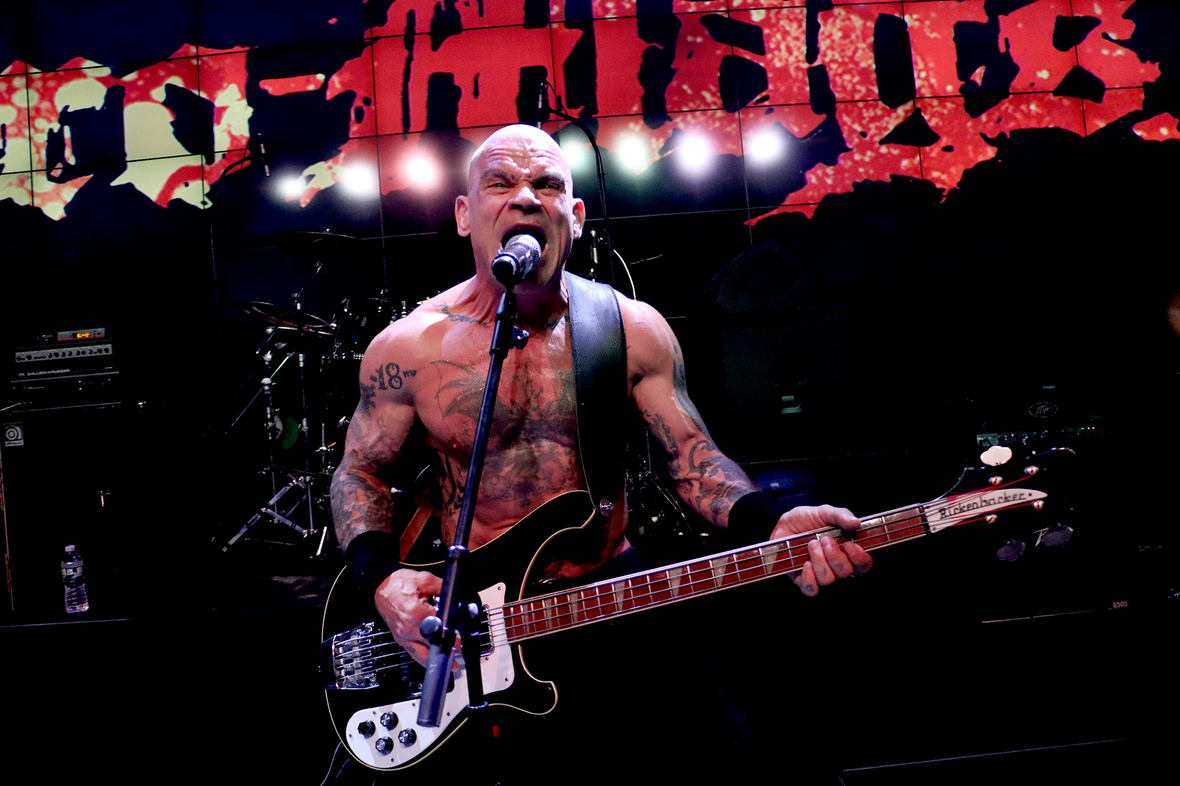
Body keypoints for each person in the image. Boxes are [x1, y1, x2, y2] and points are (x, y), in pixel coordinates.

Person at [329, 124, 872, 783]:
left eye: (546, 184)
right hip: (477, 627)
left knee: (740, 778)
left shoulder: (630, 329)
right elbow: (360, 470)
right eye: (500, 183)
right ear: (465, 216)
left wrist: (770, 521)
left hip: (613, 600)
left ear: (576, 216)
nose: (525, 198)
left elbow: (692, 459)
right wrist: (380, 580)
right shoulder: (409, 347)